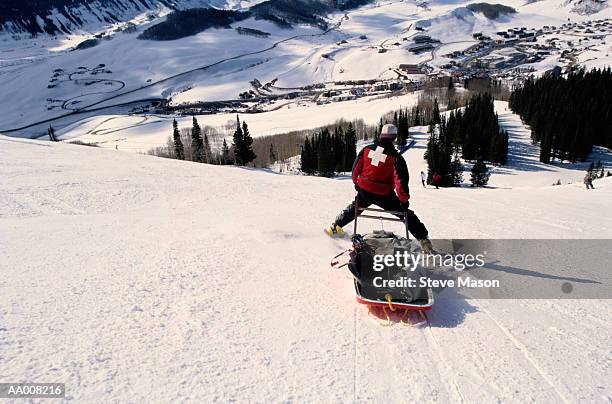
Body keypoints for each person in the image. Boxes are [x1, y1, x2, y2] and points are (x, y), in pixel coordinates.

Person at [325, 124, 434, 254]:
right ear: (394, 137)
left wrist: (357, 184)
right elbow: (400, 182)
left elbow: (355, 169)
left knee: (354, 208)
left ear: (380, 135)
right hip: (384, 195)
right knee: (406, 215)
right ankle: (424, 241)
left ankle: (334, 227)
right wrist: (404, 201)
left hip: (365, 190)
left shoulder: (366, 150)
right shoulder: (396, 157)